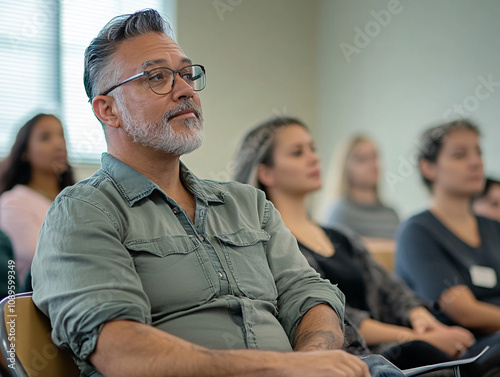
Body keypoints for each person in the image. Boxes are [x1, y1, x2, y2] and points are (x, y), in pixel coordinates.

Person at [30, 9, 405, 377]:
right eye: (158, 77)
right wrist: (286, 367)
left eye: (186, 74)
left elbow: (310, 295)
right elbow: (124, 354)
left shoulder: (248, 204)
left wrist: (312, 360)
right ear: (108, 110)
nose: (184, 90)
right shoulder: (83, 212)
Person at [233, 116, 480, 371]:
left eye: (313, 149)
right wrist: (418, 337)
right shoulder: (273, 245)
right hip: (349, 360)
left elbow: (392, 289)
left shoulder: (342, 236)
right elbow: (338, 316)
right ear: (266, 172)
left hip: (390, 349)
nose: (314, 158)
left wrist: (421, 318)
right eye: (298, 153)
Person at [395, 120, 500, 372]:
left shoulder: (493, 227)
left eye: (478, 152)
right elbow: (464, 310)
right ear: (428, 167)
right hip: (466, 351)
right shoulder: (417, 232)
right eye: (460, 155)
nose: (476, 162)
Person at [0, 113, 75, 285]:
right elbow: (43, 259)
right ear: (25, 152)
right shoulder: (13, 202)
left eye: (61, 135)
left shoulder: (78, 196)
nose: (59, 144)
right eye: (45, 137)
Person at [321, 135, 399, 252]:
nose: (373, 164)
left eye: (375, 157)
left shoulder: (391, 214)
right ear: (346, 167)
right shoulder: (340, 211)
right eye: (362, 159)